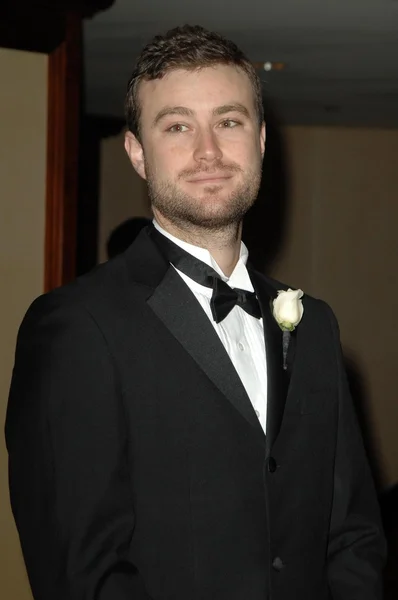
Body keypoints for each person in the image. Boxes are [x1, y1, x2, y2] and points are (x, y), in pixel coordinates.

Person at [5, 24, 386, 600]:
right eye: (178, 126)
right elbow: (80, 572)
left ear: (259, 141)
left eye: (229, 122)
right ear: (137, 152)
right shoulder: (75, 326)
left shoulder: (314, 323)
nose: (208, 151)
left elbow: (351, 532)